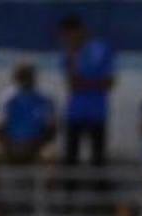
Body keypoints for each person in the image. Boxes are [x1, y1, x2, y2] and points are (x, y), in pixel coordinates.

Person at [57, 15, 115, 166]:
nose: (68, 38)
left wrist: (85, 83)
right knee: (70, 158)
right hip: (74, 113)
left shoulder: (102, 49)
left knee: (98, 158)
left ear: (81, 30)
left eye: (70, 33)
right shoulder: (67, 53)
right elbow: (73, 84)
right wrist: (93, 82)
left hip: (97, 112)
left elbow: (109, 83)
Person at [0, 61, 56, 165]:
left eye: (28, 75)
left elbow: (51, 128)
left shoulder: (45, 99)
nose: (26, 79)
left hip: (36, 146)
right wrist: (9, 145)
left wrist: (37, 144)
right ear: (16, 77)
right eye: (23, 75)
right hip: (10, 146)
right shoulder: (7, 99)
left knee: (50, 156)